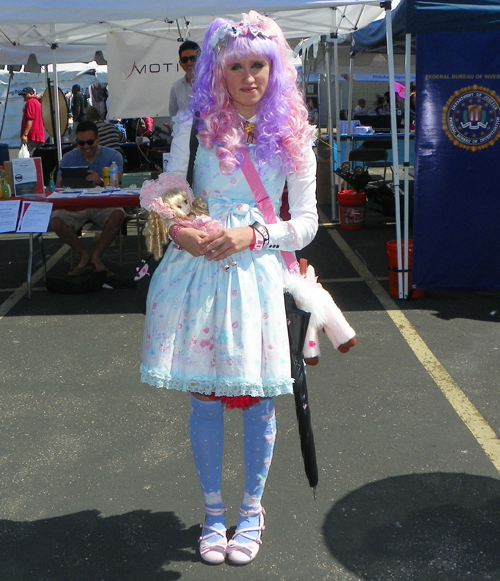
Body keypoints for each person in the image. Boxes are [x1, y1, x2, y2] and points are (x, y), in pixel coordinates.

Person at [140, 11, 356, 566]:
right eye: (236, 65)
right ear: (219, 69)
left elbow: (307, 223)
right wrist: (182, 231)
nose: (248, 76)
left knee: (259, 399)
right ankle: (214, 515)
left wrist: (253, 233)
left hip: (258, 273)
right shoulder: (194, 124)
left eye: (258, 64)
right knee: (205, 398)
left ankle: (253, 511)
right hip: (199, 274)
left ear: (274, 66)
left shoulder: (293, 134)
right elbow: (173, 191)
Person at [52, 121, 125, 276]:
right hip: (76, 205)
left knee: (118, 215)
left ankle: (96, 255)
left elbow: (116, 183)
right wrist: (62, 183)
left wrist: (100, 181)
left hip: (103, 204)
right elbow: (58, 186)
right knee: (56, 222)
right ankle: (84, 254)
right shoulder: (68, 158)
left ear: (98, 139)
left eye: (90, 142)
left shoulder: (113, 156)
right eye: (81, 143)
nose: (86, 147)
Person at [168, 40, 200, 117]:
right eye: (184, 60)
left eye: (193, 58)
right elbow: (174, 117)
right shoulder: (176, 87)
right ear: (180, 63)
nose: (189, 62)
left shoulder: (212, 84)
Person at [19, 87, 45, 155]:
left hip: (31, 135)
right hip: (39, 134)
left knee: (27, 157)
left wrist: (25, 134)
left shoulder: (30, 102)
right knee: (37, 157)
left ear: (31, 94)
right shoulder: (38, 103)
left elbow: (30, 119)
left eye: (25, 95)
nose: (23, 97)